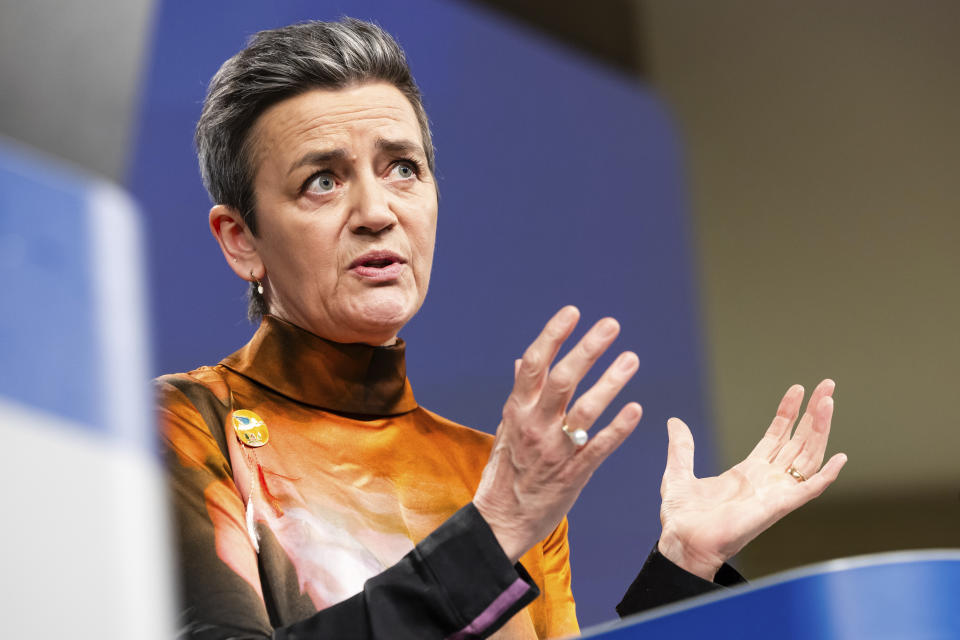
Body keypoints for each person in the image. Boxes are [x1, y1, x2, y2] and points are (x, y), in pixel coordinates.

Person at [158, 18, 847, 639]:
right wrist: (493, 532)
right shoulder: (185, 426)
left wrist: (683, 567)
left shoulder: (494, 472)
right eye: (322, 182)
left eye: (403, 168)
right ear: (240, 238)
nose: (377, 210)